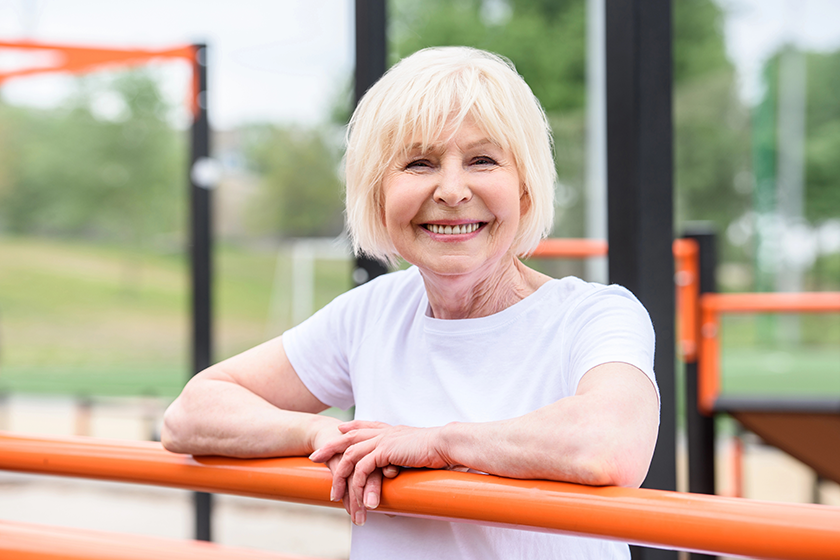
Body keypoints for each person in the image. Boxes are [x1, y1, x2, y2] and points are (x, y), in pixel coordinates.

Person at [162, 46, 659, 560]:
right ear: (378, 194)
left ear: (526, 188)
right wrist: (324, 433)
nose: (451, 190)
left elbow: (611, 443)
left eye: (482, 160)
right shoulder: (373, 312)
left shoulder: (594, 315)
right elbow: (190, 413)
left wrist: (437, 443)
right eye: (419, 163)